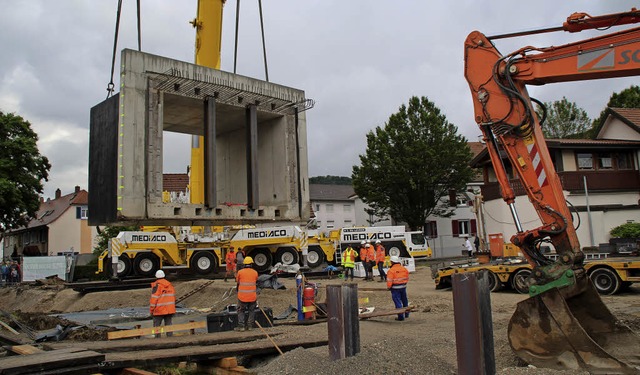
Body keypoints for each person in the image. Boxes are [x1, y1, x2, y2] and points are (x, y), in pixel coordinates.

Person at [235, 256, 259, 332]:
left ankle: (241, 326)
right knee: (251, 310)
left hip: (242, 296)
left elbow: (238, 282)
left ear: (244, 264)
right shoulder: (255, 272)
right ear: (251, 264)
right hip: (252, 296)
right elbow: (256, 281)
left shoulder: (240, 272)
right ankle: (250, 326)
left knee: (241, 310)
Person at [150, 270, 176, 338]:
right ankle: (170, 339)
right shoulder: (170, 285)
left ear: (156, 277)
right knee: (169, 325)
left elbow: (154, 299)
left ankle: (157, 340)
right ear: (164, 276)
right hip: (169, 310)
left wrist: (152, 310)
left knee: (157, 326)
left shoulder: (157, 286)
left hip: (159, 310)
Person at [386, 256, 410, 321]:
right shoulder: (404, 269)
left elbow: (389, 280)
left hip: (395, 288)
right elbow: (407, 277)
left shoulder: (391, 271)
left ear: (392, 262)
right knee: (404, 300)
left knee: (397, 302)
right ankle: (407, 314)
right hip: (403, 287)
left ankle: (401, 316)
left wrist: (389, 287)